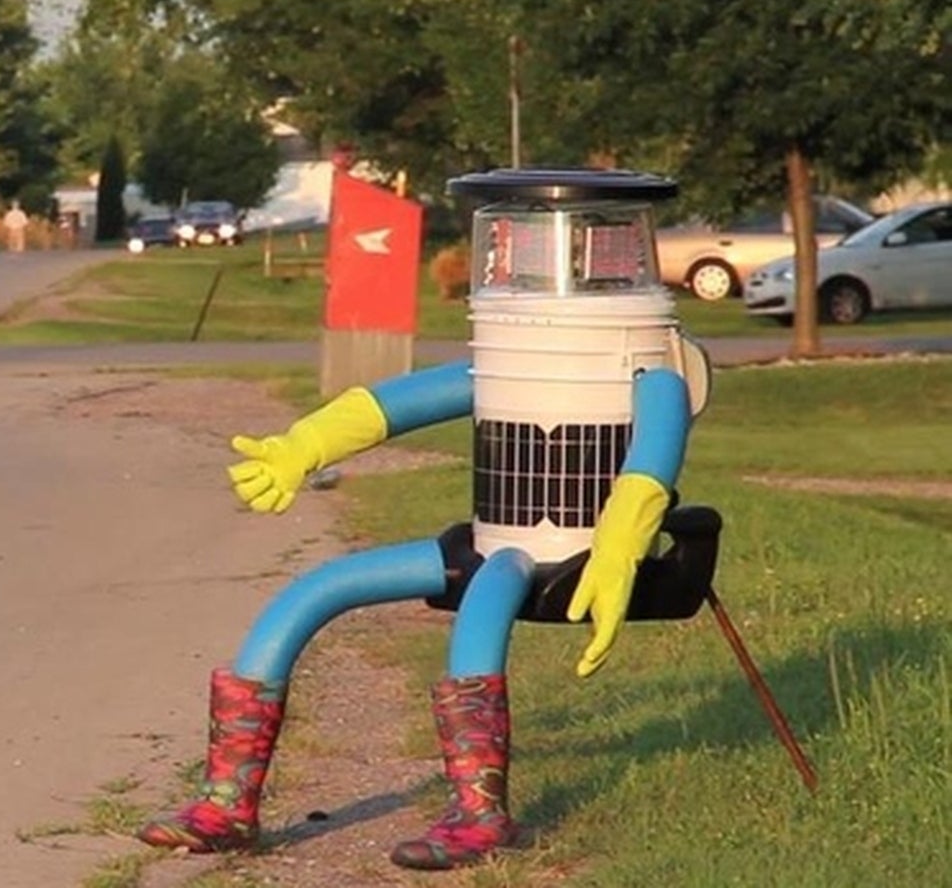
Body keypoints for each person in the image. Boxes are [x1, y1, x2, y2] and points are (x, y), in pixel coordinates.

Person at [136, 167, 715, 871]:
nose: (541, 278)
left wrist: (621, 543)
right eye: (514, 250)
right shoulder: (503, 362)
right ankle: (227, 802)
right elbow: (393, 404)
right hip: (491, 539)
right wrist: (304, 446)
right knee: (312, 591)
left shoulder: (651, 372)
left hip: (562, 560)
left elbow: (653, 456)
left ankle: (478, 813)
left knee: (487, 601)